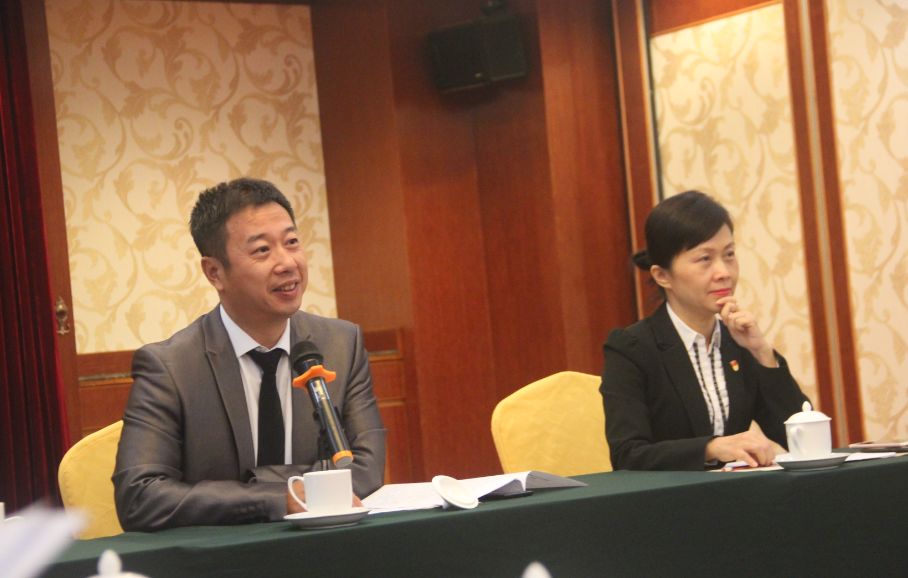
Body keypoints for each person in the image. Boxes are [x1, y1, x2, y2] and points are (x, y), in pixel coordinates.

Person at [113, 177, 385, 531]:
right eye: (262, 250)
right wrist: (278, 497)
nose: (287, 262)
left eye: (292, 242)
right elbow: (140, 496)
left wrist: (263, 485)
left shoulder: (341, 344)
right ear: (215, 272)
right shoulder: (171, 367)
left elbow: (365, 469)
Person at [600, 190, 808, 470]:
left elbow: (801, 439)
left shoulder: (738, 342)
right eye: (705, 259)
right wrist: (711, 448)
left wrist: (762, 353)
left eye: (729, 255)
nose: (724, 272)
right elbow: (628, 454)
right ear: (662, 276)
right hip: (672, 496)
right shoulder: (632, 348)